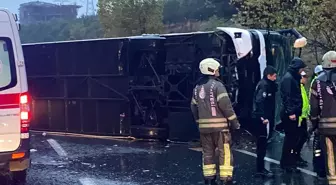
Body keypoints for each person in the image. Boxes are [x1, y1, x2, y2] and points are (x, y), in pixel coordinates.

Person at [190, 58, 240, 185]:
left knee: (207, 153)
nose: (218, 70)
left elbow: (193, 107)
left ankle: (209, 179)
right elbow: (226, 106)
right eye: (217, 68)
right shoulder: (218, 86)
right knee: (225, 153)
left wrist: (199, 122)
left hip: (204, 130)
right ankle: (226, 179)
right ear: (211, 69)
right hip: (220, 129)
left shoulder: (197, 88)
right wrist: (235, 123)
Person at [310, 51, 336, 185]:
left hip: (325, 128)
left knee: (329, 157)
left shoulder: (317, 82)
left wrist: (314, 123)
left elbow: (314, 108)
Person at [279, 57, 307, 172]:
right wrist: (291, 112)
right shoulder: (289, 79)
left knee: (292, 138)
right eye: (301, 69)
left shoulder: (291, 78)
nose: (302, 71)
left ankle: (289, 162)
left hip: (293, 112)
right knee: (290, 139)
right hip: (290, 114)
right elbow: (288, 96)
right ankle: (287, 163)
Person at [252, 66, 278, 177]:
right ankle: (260, 169)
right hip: (263, 120)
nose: (276, 78)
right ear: (269, 75)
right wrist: (263, 117)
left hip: (266, 117)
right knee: (262, 144)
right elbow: (259, 101)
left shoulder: (268, 85)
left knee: (263, 144)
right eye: (274, 76)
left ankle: (261, 168)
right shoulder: (264, 85)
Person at [295, 71, 309, 167]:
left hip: (303, 117)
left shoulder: (302, 87)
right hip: (299, 118)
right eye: (304, 77)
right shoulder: (298, 87)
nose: (305, 78)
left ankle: (297, 155)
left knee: (303, 137)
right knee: (300, 137)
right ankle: (295, 156)